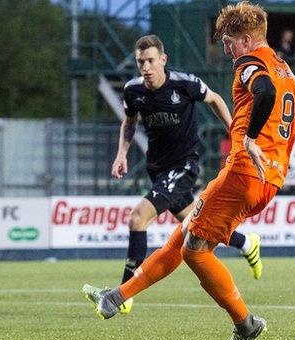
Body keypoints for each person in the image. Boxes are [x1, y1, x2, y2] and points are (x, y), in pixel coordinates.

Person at [84, 2, 295, 340]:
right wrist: (275, 137)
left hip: (243, 173)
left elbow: (264, 92)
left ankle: (246, 324)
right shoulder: (288, 71)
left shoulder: (249, 62)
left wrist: (253, 138)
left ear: (244, 39)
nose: (225, 49)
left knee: (195, 251)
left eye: (227, 41)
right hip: (269, 181)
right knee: (184, 235)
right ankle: (116, 297)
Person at [113, 34, 264, 314]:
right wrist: (121, 153)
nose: (145, 67)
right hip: (157, 169)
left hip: (183, 166)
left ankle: (123, 291)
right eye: (140, 62)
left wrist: (235, 132)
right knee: (195, 225)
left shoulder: (185, 83)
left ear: (163, 60)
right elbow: (129, 122)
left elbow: (216, 99)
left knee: (137, 218)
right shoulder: (133, 91)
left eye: (150, 61)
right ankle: (245, 242)